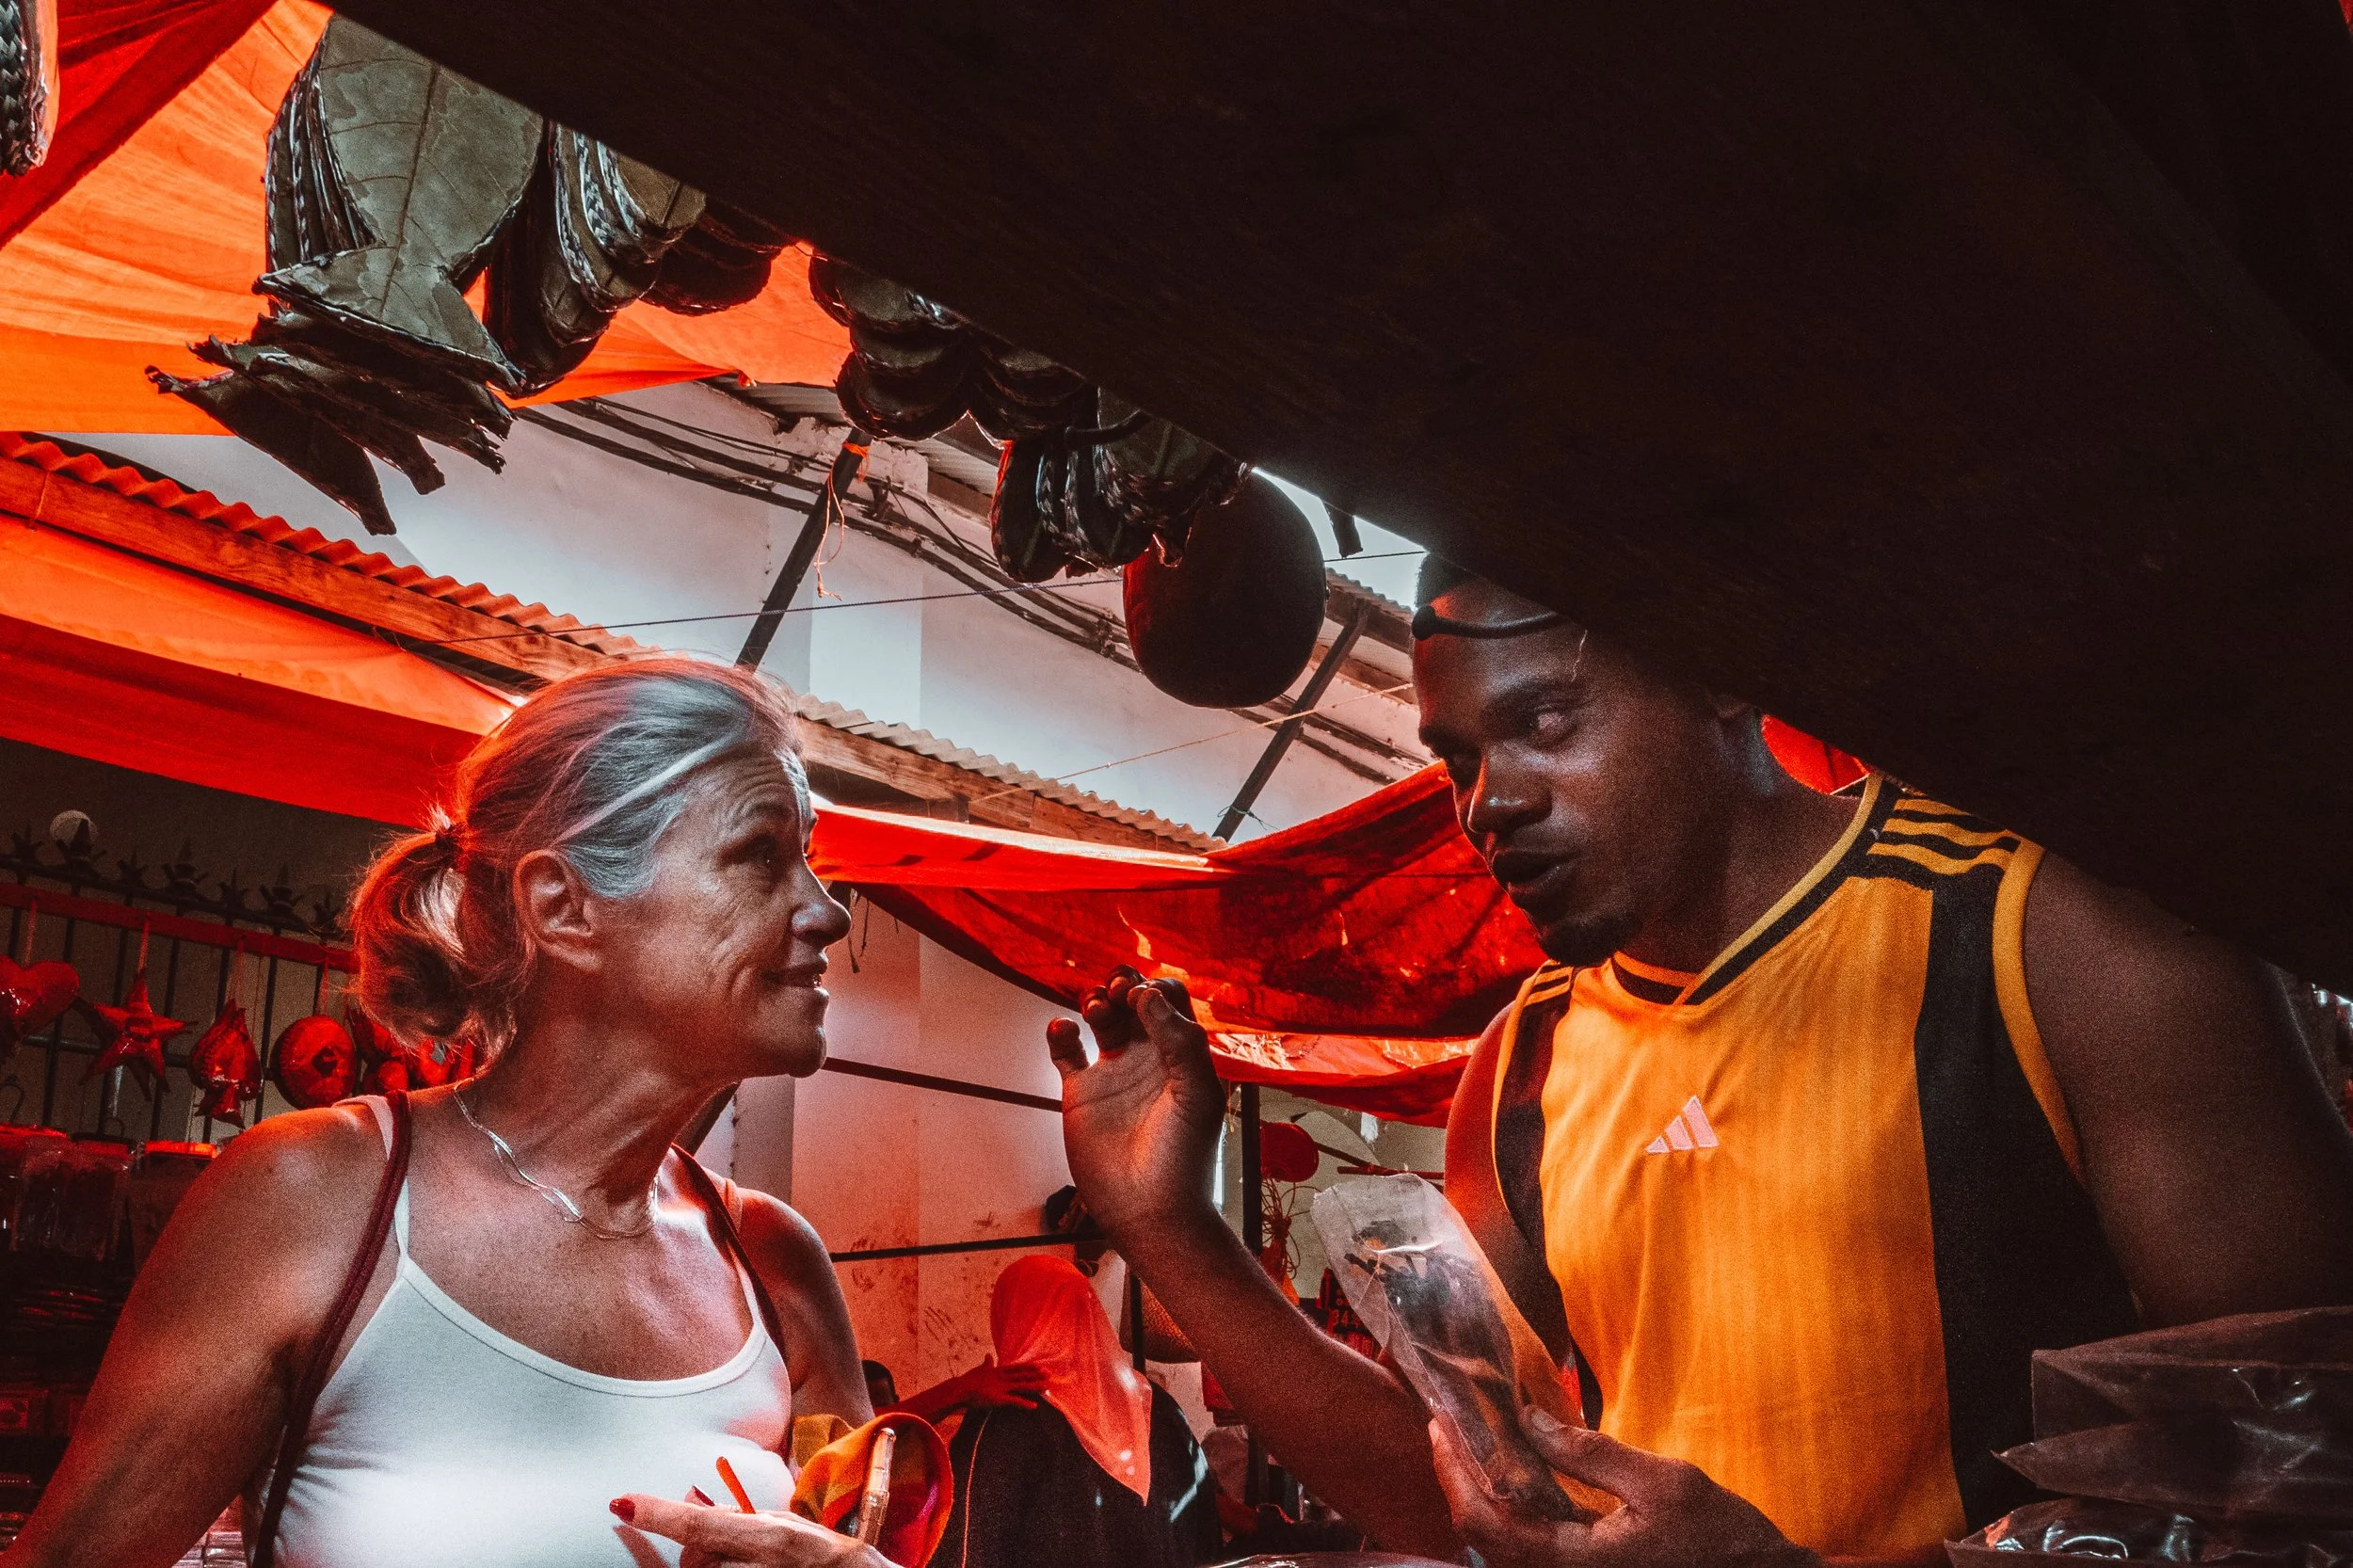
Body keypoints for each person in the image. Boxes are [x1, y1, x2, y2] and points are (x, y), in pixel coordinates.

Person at [1048, 561, 2353, 1568]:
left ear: (1724, 671)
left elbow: (2302, 1473)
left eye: (1547, 718)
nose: (1488, 801)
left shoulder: (2058, 934)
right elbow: (1479, 1491)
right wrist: (1172, 1231)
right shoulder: (1520, 1070)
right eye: (1459, 756)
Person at [6, 658, 897, 1568]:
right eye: (760, 857)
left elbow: (852, 1529)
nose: (826, 914)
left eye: (811, 863)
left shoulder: (775, 1265)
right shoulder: (322, 1198)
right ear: (564, 907)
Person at [925, 1256, 1218, 1568]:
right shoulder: (1162, 1409)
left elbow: (969, 1547)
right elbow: (1207, 1537)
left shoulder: (1008, 1413)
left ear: (1009, 1317)